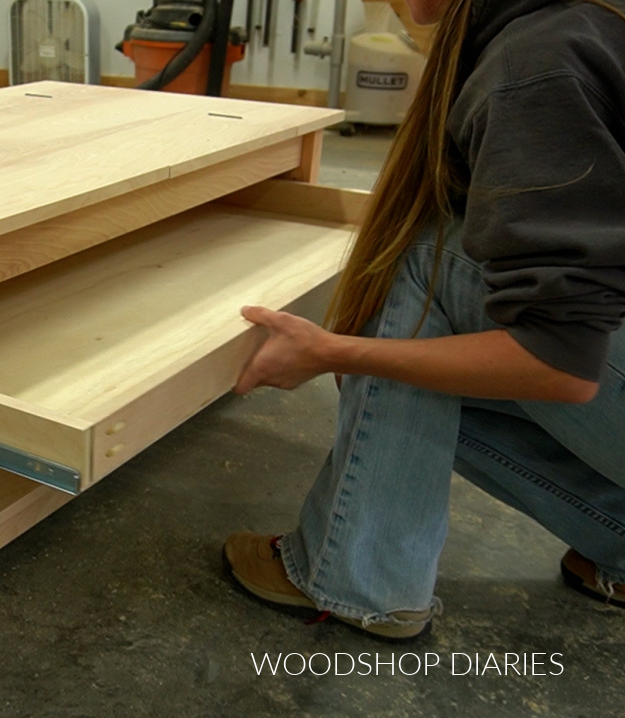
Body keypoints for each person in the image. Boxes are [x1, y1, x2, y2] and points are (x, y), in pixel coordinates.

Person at [221, 0, 625, 640]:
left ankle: (357, 578)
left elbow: (560, 358)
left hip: (585, 363)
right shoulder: (575, 24)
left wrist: (340, 353)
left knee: (423, 256)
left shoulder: (539, 60)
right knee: (431, 388)